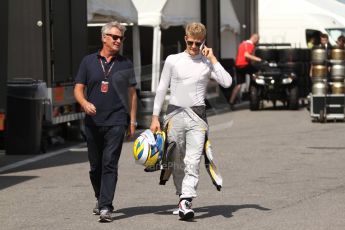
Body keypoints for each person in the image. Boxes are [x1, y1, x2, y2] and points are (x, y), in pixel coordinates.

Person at [150, 22, 232, 220]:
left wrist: (212, 58)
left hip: (197, 117)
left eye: (198, 43)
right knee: (176, 161)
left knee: (193, 160)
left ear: (204, 42)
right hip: (174, 115)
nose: (194, 47)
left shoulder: (206, 63)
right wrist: (154, 116)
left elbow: (227, 82)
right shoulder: (173, 60)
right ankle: (181, 196)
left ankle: (187, 200)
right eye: (191, 42)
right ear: (185, 39)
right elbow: (162, 87)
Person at [74, 21, 137, 223]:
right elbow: (78, 89)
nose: (118, 41)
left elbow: (132, 94)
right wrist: (84, 103)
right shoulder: (88, 61)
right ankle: (100, 198)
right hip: (92, 122)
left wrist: (133, 121)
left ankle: (106, 206)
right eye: (115, 37)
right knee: (95, 167)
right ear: (104, 38)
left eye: (121, 38)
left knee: (110, 163)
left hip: (116, 121)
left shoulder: (126, 63)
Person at [229, 34, 262, 108]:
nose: (257, 42)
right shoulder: (250, 45)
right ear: (255, 39)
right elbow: (246, 55)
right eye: (258, 40)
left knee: (238, 85)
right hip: (244, 65)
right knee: (257, 73)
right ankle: (253, 91)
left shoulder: (242, 44)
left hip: (238, 65)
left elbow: (239, 55)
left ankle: (231, 102)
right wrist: (259, 59)